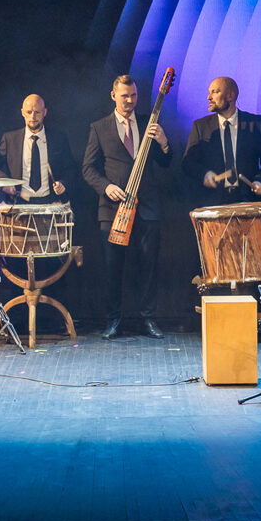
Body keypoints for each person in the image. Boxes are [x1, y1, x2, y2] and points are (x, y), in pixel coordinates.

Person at [82, 74, 174, 339]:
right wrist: (106, 187)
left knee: (148, 266)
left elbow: (166, 162)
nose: (129, 101)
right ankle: (113, 320)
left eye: (133, 95)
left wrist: (164, 143)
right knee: (113, 267)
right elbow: (88, 169)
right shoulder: (99, 127)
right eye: (124, 96)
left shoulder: (149, 124)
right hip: (113, 210)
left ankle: (148, 319)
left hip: (147, 207)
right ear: (113, 96)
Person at [183, 76, 261, 203]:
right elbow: (188, 162)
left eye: (215, 92)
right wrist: (204, 174)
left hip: (248, 199)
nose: (209, 97)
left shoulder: (255, 123)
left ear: (230, 96)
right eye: (209, 92)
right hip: (214, 201)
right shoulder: (200, 126)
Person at [0, 94, 76, 204]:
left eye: (37, 112)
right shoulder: (10, 139)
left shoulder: (59, 139)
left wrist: (63, 183)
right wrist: (4, 183)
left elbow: (71, 169)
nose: (33, 117)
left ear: (45, 112)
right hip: (19, 202)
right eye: (29, 112)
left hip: (50, 201)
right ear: (22, 112)